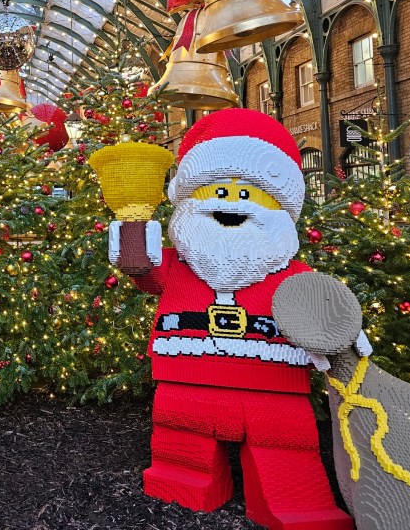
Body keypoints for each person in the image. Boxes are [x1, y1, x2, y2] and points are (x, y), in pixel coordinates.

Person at [113, 109, 353, 530]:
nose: (229, 204)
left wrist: (343, 333)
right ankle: (187, 478)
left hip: (272, 382)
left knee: (282, 445)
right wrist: (132, 224)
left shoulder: (291, 274)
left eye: (248, 193)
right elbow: (143, 269)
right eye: (217, 190)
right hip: (187, 376)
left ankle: (291, 497)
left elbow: (319, 306)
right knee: (182, 436)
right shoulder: (179, 265)